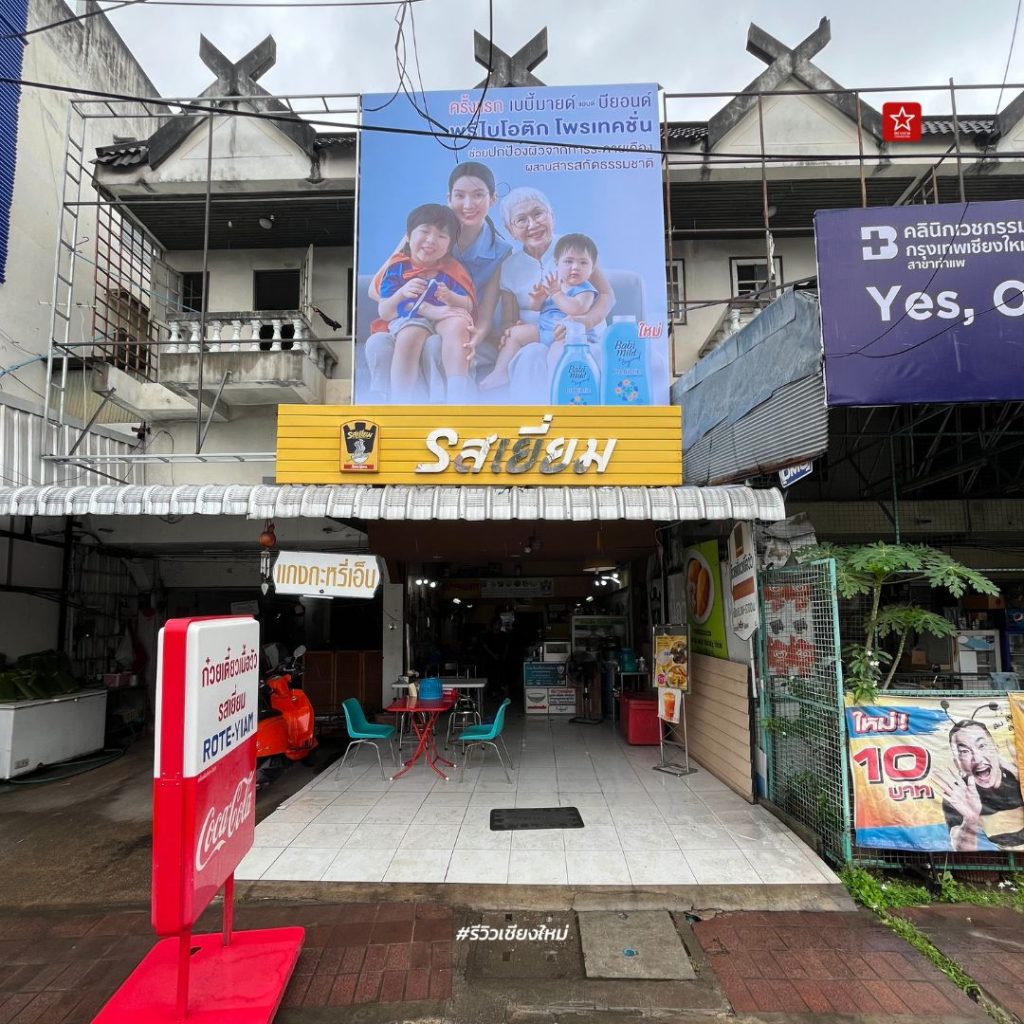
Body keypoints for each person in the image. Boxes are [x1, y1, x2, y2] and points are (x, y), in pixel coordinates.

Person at [365, 161, 511, 401]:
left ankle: (453, 402)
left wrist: (473, 339)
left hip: (459, 321)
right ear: (449, 198)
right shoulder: (423, 233)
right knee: (393, 341)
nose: (468, 204)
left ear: (492, 199)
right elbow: (376, 289)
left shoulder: (500, 251)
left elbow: (482, 313)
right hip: (413, 315)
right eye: (459, 195)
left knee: (445, 339)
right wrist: (419, 307)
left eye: (478, 195)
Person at [494, 187, 615, 401]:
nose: (532, 225)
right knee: (530, 356)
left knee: (567, 354)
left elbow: (607, 295)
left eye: (538, 214)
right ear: (510, 229)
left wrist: (583, 322)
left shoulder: (575, 249)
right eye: (521, 220)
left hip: (582, 335)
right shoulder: (509, 267)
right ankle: (531, 425)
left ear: (552, 215)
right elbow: (508, 320)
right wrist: (511, 330)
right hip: (537, 336)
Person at [371, 203, 476, 404]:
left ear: (449, 246)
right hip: (410, 319)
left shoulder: (453, 269)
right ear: (409, 236)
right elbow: (385, 312)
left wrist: (450, 297)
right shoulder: (397, 268)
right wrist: (402, 293)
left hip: (441, 318)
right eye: (425, 231)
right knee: (412, 332)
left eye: (442, 236)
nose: (431, 240)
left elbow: (468, 304)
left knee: (459, 322)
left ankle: (457, 394)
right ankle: (401, 401)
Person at [479, 233, 599, 391]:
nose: (575, 267)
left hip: (569, 335)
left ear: (591, 269)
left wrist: (556, 294)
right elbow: (536, 308)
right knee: (515, 333)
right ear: (557, 264)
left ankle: (555, 386)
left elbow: (577, 308)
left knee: (557, 352)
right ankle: (500, 371)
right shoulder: (555, 284)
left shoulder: (586, 289)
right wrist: (537, 299)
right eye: (568, 261)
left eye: (583, 263)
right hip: (544, 329)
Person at [937, 719, 1024, 851]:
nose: (977, 759)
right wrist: (970, 820)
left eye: (982, 746)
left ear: (995, 748)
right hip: (994, 863)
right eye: (964, 751)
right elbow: (961, 850)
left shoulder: (1017, 776)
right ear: (957, 763)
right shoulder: (959, 794)